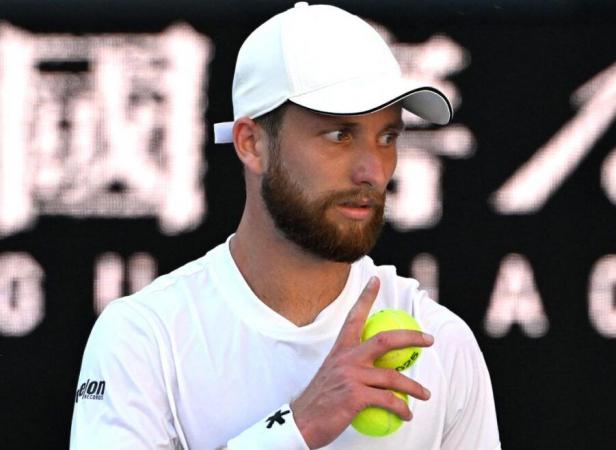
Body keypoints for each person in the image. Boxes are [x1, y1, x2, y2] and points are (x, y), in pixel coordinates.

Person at [70, 3, 501, 449]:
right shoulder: (143, 336)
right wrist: (298, 427)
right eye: (340, 135)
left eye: (388, 136)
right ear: (252, 143)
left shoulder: (440, 342)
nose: (373, 169)